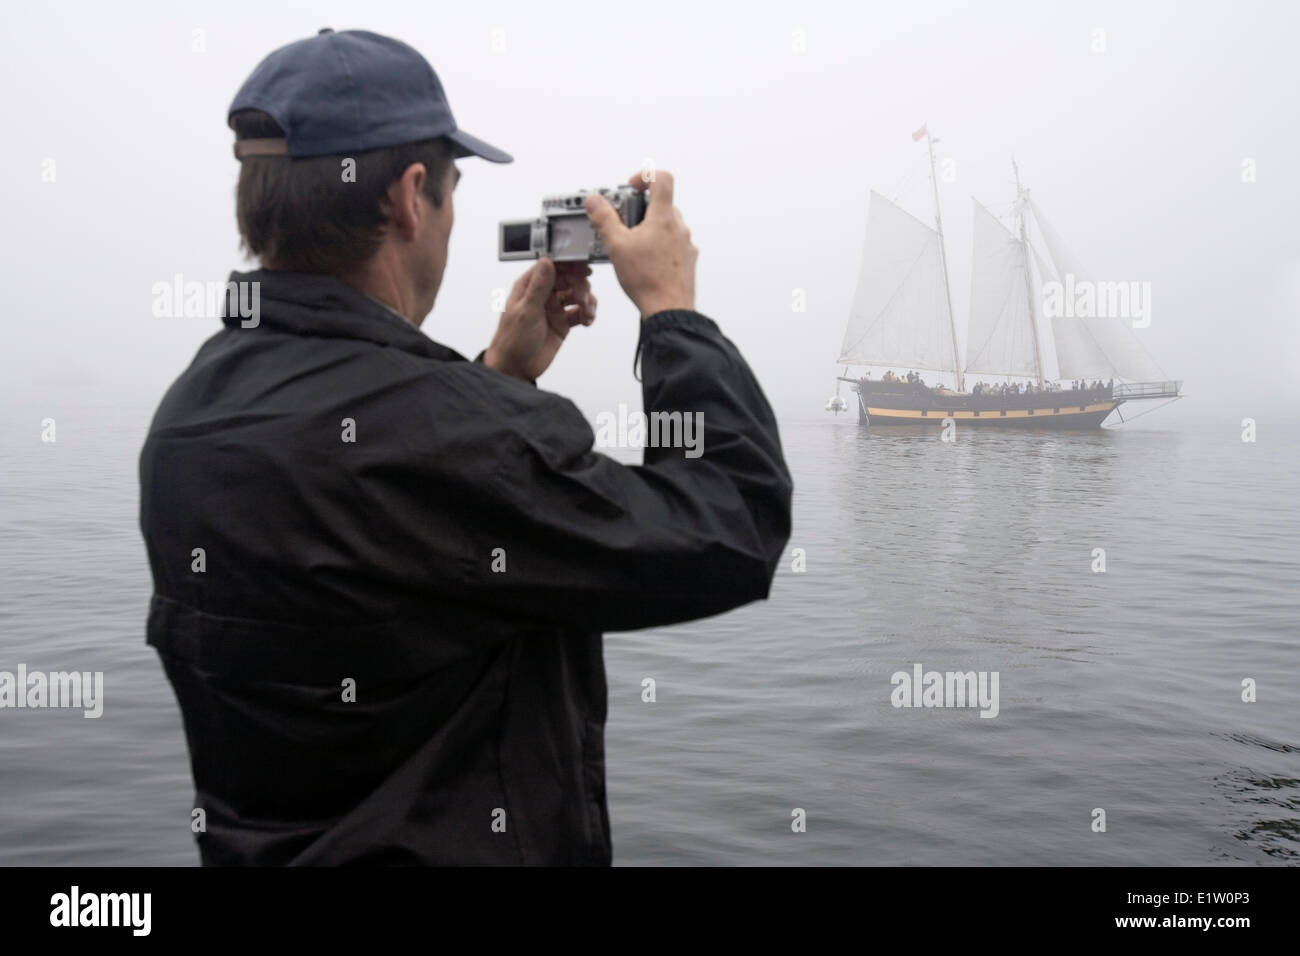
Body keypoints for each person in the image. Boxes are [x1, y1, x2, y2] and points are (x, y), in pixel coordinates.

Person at [138, 29, 792, 866]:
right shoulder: (454, 439)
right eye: (450, 194)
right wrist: (671, 312)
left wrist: (499, 378)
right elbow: (732, 526)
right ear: (412, 197)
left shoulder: (185, 422)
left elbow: (394, 563)